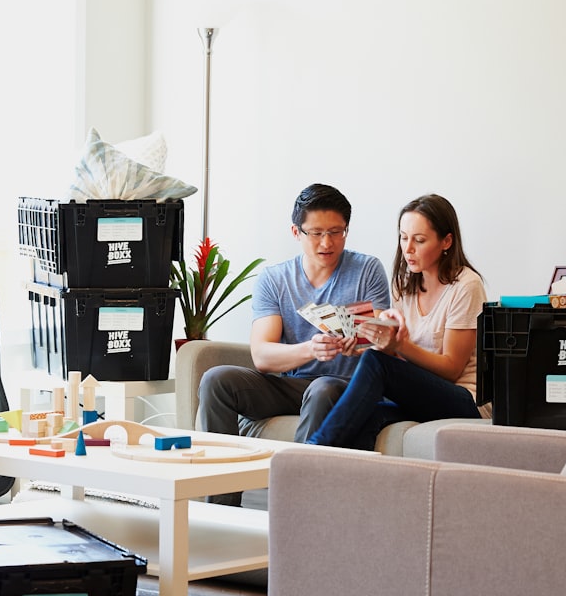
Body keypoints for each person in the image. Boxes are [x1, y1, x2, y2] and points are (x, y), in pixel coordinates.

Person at [198, 183, 391, 450]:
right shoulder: (275, 279)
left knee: (322, 388)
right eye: (316, 233)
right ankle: (221, 490)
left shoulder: (367, 269)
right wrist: (311, 349)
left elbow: (382, 340)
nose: (327, 242)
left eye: (336, 232)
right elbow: (262, 356)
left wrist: (359, 346)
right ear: (296, 232)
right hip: (293, 385)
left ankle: (296, 483)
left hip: (345, 386)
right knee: (216, 380)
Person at [305, 193, 488, 450]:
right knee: (364, 415)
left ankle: (312, 450)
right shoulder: (405, 284)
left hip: (464, 400)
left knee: (375, 362)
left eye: (419, 240)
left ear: (446, 241)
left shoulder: (466, 286)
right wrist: (368, 340)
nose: (408, 249)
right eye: (403, 238)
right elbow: (398, 361)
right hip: (423, 395)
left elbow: (451, 369)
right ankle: (347, 486)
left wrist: (399, 346)